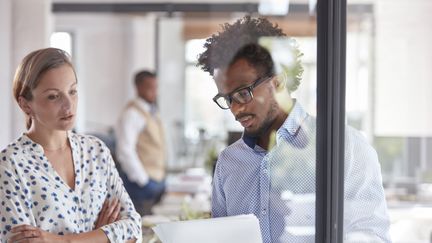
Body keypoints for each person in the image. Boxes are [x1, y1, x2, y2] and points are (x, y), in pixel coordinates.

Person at [197, 16, 391, 243]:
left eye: (243, 93)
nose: (236, 109)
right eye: (227, 99)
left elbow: (372, 234)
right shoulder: (229, 162)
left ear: (278, 82)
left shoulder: (344, 146)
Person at [0, 48, 142, 242]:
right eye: (53, 96)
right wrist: (101, 237)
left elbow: (134, 229)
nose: (68, 105)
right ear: (25, 105)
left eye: (73, 91)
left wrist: (61, 240)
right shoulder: (11, 165)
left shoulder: (96, 150)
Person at [115, 70, 166, 216]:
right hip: (141, 185)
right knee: (143, 230)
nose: (155, 92)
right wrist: (143, 181)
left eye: (156, 87)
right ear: (138, 88)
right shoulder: (132, 113)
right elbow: (125, 151)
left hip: (155, 180)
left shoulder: (152, 112)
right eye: (150, 87)